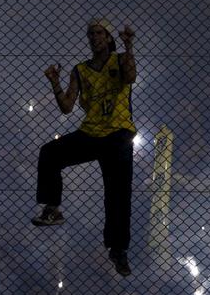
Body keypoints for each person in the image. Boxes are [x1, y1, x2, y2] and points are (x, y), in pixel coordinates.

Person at [32, 18, 137, 277]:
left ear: (108, 37)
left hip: (117, 135)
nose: (94, 37)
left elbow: (131, 77)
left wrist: (129, 47)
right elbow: (67, 106)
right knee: (50, 152)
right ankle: (52, 208)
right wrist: (55, 82)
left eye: (99, 33)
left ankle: (118, 250)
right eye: (91, 34)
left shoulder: (119, 60)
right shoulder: (80, 70)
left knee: (117, 195)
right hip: (91, 133)